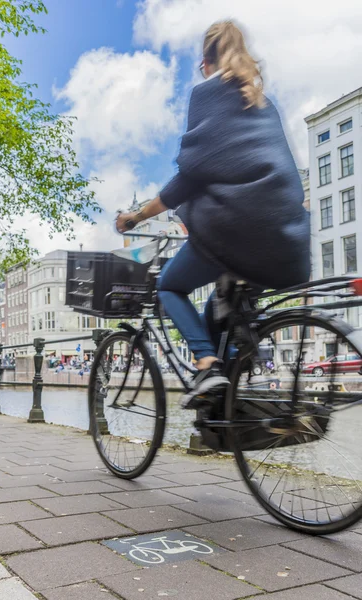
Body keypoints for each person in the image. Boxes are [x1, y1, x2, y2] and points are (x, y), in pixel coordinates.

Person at [116, 20, 310, 410]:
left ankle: (206, 364)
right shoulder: (260, 101)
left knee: (170, 287)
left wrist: (135, 217)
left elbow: (190, 176)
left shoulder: (207, 93)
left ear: (207, 61)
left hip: (235, 229)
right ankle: (232, 394)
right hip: (284, 236)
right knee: (216, 308)